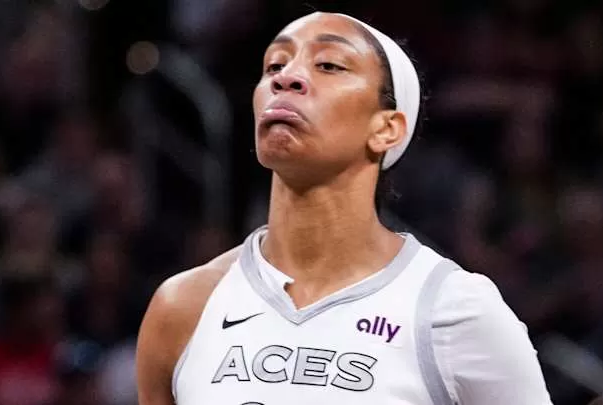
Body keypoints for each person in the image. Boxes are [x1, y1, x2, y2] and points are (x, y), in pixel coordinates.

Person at [137, 11, 553, 405]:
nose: (288, 78)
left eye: (330, 65)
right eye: (274, 66)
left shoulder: (455, 308)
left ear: (386, 128)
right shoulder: (183, 306)